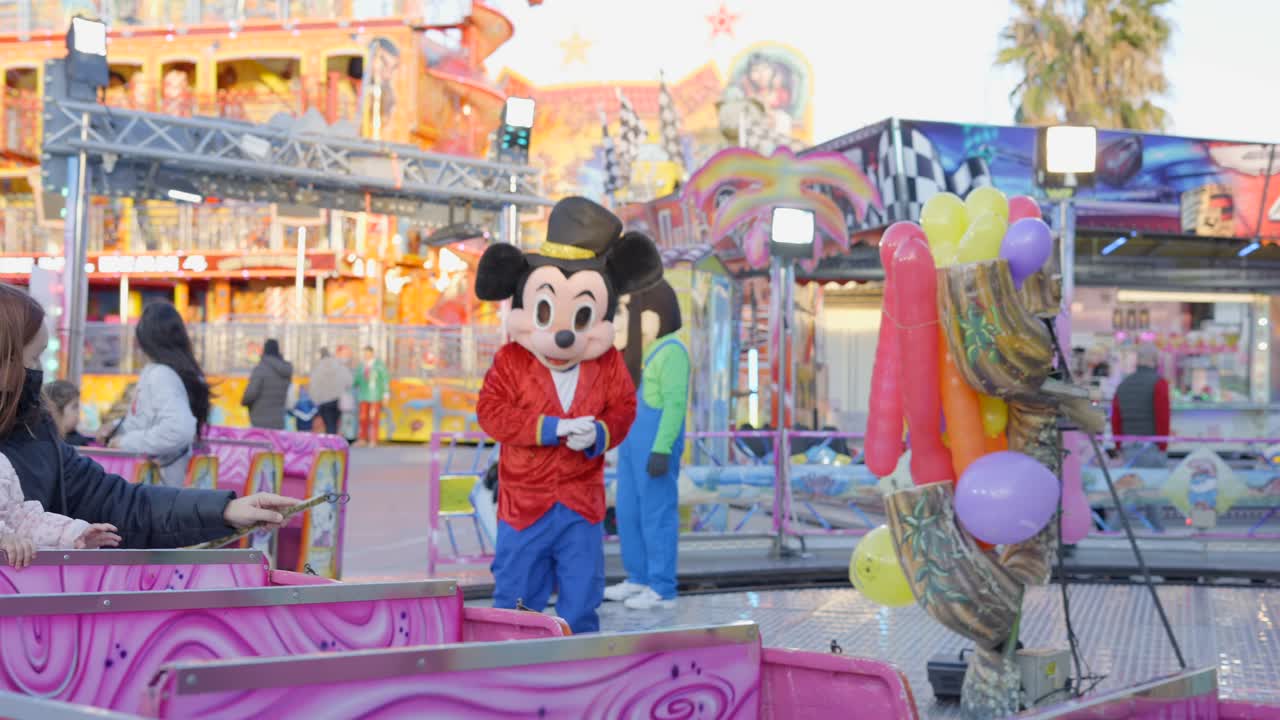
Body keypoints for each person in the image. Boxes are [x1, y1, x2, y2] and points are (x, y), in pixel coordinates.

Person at [0, 283, 298, 567]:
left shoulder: (33, 429)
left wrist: (223, 510)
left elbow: (119, 502)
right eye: (34, 358)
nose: (39, 374)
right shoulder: (163, 374)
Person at [474, 196, 661, 633]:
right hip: (524, 504)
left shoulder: (606, 364)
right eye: (546, 311)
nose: (562, 333)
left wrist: (600, 432)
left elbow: (623, 409)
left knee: (582, 600)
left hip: (580, 504)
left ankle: (577, 680)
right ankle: (510, 676)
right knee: (516, 601)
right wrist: (550, 428)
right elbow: (491, 413)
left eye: (580, 315)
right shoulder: (512, 360)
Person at [606, 279, 689, 610]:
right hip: (630, 448)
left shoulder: (672, 352)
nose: (622, 320)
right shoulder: (641, 355)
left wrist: (662, 449)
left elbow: (674, 406)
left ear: (654, 315)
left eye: (628, 312)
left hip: (655, 449)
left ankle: (662, 587)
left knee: (657, 514)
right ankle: (638, 577)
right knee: (628, 512)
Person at [104, 302, 208, 487]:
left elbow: (177, 430)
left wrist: (126, 442)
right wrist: (114, 428)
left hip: (157, 488)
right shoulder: (174, 373)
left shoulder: (160, 375)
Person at [1110, 343, 1170, 529]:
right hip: (1150, 444)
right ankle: (1112, 528)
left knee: (1133, 487)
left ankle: (1157, 528)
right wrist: (1162, 445)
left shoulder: (1124, 384)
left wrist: (1119, 445)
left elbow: (1116, 418)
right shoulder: (1158, 383)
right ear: (1153, 360)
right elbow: (1162, 417)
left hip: (1128, 445)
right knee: (1147, 490)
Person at [242, 339, 293, 430]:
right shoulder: (285, 370)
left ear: (265, 350)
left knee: (261, 443)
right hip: (278, 421)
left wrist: (244, 401)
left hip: (260, 420)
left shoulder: (261, 369)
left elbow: (250, 394)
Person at [308, 348, 352, 436]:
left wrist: (315, 399)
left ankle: (330, 443)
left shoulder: (317, 368)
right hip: (337, 400)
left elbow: (313, 386)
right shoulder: (339, 365)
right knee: (335, 424)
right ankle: (334, 442)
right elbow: (349, 381)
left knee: (328, 424)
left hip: (324, 402)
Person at [352, 346, 389, 446]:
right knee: (363, 418)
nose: (366, 355)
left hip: (375, 396)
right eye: (365, 354)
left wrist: (386, 395)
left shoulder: (379, 366)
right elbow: (355, 381)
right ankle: (362, 439)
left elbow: (385, 380)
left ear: (372, 354)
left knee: (374, 418)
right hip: (363, 395)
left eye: (368, 353)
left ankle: (373, 439)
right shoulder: (361, 366)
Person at [43, 380, 93, 446]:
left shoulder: (78, 440)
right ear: (56, 411)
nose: (79, 412)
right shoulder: (73, 445)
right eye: (75, 407)